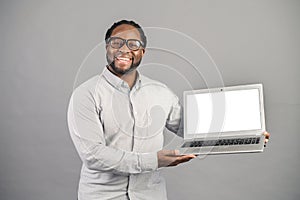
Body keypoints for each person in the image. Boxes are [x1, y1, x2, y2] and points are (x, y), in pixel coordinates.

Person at [67, 19, 270, 200]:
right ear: (107, 47)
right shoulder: (86, 94)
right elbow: (93, 155)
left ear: (142, 52)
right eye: (117, 42)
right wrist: (153, 161)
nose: (124, 49)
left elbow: (192, 129)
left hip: (151, 195)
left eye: (133, 44)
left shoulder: (160, 92)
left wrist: (248, 132)